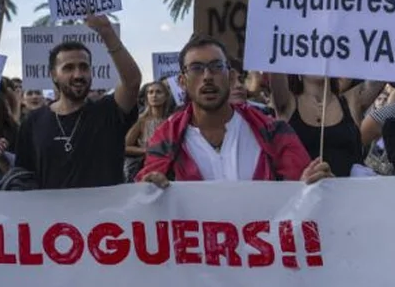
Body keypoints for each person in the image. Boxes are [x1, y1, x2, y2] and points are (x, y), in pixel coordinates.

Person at [136, 35, 329, 185]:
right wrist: (151, 189)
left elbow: (303, 196)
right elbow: (145, 197)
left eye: (216, 67)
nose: (207, 76)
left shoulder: (273, 132)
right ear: (182, 82)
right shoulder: (165, 139)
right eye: (196, 68)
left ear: (230, 76)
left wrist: (310, 182)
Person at [14, 14, 143, 189]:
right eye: (68, 68)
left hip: (106, 215)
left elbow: (132, 83)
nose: (78, 74)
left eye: (84, 67)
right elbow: (23, 176)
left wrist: (107, 33)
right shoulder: (32, 122)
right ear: (53, 75)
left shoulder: (107, 112)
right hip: (52, 216)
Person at [269, 72, 382, 177]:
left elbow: (385, 69)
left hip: (348, 195)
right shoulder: (287, 104)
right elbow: (275, 63)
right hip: (301, 195)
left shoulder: (352, 101)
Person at [123, 81, 175, 182]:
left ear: (166, 97)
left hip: (169, 172)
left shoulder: (172, 120)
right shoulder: (141, 121)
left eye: (158, 92)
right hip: (145, 172)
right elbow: (124, 147)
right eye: (150, 92)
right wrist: (146, 150)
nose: (154, 95)